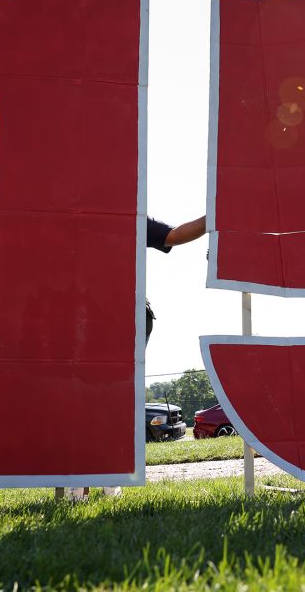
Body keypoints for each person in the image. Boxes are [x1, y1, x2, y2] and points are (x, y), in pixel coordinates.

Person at [65, 214, 206, 502]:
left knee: (110, 397)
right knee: (89, 398)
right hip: (89, 314)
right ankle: (85, 481)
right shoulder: (74, 216)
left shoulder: (127, 215)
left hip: (125, 314)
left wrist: (214, 214)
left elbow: (174, 236)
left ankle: (105, 479)